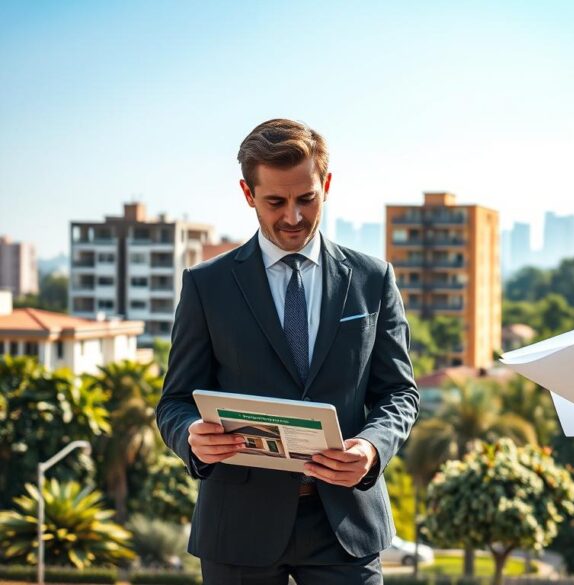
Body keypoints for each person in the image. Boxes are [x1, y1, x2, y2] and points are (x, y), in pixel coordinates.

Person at [156, 118, 419, 584]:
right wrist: (191, 435)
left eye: (306, 199)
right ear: (247, 193)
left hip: (346, 525)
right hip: (238, 526)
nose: (293, 217)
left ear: (327, 185)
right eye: (276, 201)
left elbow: (399, 393)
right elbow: (174, 402)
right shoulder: (206, 286)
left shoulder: (373, 279)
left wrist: (372, 449)